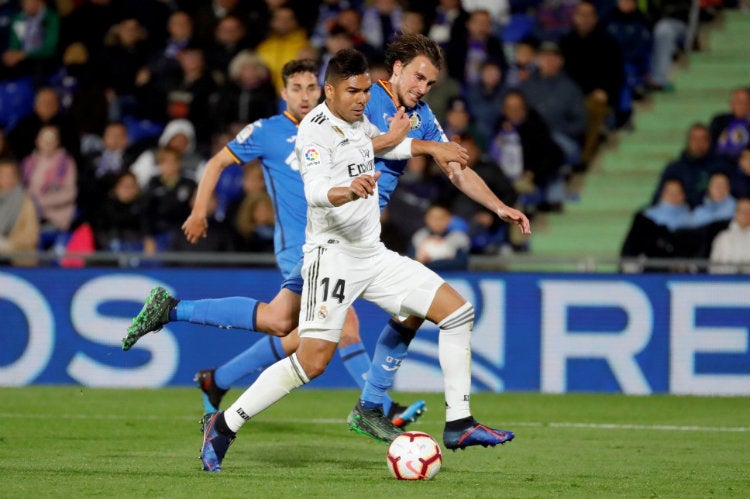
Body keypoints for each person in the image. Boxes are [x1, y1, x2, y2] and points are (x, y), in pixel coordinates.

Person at [124, 35, 528, 426]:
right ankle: (375, 406)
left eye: (431, 83)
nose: (423, 89)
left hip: (360, 237)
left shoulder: (418, 116)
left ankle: (202, 353)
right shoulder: (355, 104)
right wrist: (199, 210)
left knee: (283, 322)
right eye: (419, 78)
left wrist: (498, 206)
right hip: (321, 239)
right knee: (333, 333)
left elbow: (454, 168)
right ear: (397, 69)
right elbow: (368, 145)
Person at [0, 158, 39, 265]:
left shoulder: (26, 202)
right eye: (2, 174)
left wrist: (9, 244)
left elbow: (31, 236)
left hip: (17, 257)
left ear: (16, 177)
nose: (5, 178)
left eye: (9, 175)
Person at [709, 197, 750, 274]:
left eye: (749, 212)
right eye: (742, 211)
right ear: (736, 213)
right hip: (726, 282)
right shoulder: (722, 237)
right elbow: (713, 266)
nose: (746, 215)